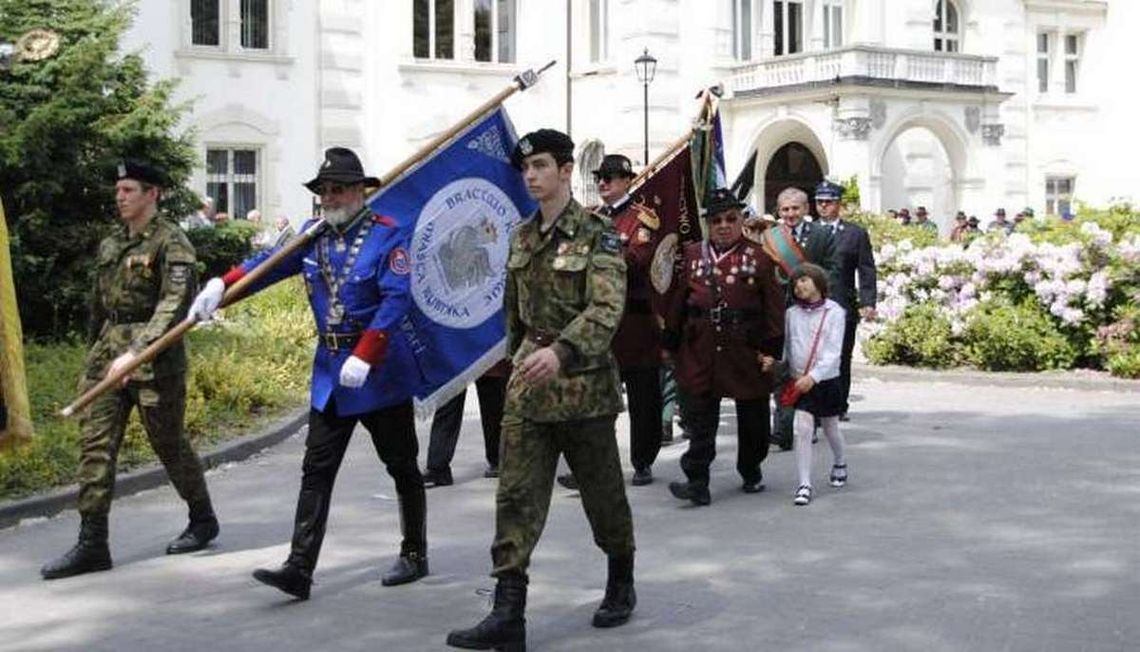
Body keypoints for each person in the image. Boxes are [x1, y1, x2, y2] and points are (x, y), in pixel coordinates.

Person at [188, 147, 428, 600]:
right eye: (323, 191)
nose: (330, 198)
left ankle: (414, 552)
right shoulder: (311, 236)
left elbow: (397, 299)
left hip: (377, 374)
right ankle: (299, 567)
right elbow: (267, 266)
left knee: (401, 465)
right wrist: (223, 286)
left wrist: (367, 353)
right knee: (315, 470)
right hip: (332, 377)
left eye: (339, 189)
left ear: (360, 191)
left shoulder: (387, 237)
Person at [446, 129, 636, 651]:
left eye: (541, 166)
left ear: (566, 170)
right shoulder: (522, 236)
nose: (531, 176)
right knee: (515, 496)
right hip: (530, 384)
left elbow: (605, 309)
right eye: (526, 168)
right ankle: (509, 612)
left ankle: (621, 576)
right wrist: (521, 358)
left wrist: (562, 352)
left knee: (602, 495)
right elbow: (514, 313)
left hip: (583, 387)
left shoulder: (599, 234)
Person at [41, 161, 219, 580]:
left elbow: (174, 306)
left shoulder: (172, 242)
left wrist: (137, 352)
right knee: (96, 446)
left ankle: (202, 517)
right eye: (118, 189)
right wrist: (95, 355)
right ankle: (92, 543)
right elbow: (99, 309)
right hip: (108, 357)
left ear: (151, 194)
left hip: (156, 361)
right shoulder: (111, 244)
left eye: (129, 190)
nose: (119, 197)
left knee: (168, 443)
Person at [663, 188, 785, 506]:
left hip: (745, 348)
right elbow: (678, 300)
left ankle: (750, 468)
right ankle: (697, 481)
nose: (723, 225)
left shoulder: (758, 257)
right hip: (700, 346)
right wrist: (670, 342)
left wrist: (772, 349)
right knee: (699, 418)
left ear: (741, 220)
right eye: (716, 220)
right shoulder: (692, 255)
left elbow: (774, 307)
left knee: (754, 419)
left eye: (731, 219)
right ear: (708, 224)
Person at [557, 153, 663, 489]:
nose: (603, 183)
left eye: (611, 177)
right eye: (600, 177)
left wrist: (603, 247)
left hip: (633, 322)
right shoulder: (593, 218)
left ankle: (643, 460)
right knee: (594, 398)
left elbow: (637, 261)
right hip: (599, 322)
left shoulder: (642, 220)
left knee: (643, 398)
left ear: (628, 180)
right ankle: (590, 465)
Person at [766, 263, 847, 507]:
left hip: (825, 379)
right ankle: (804, 483)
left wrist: (815, 376)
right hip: (799, 380)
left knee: (831, 427)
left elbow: (834, 352)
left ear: (818, 283)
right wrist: (776, 361)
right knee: (803, 427)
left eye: (804, 280)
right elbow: (787, 346)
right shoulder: (791, 313)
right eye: (796, 282)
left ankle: (840, 461)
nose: (799, 285)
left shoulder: (835, 312)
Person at [767, 186, 839, 451]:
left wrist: (816, 292)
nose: (790, 214)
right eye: (785, 209)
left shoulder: (822, 234)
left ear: (806, 209)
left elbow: (833, 269)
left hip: (811, 310)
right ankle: (783, 428)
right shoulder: (770, 238)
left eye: (795, 208)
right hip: (780, 312)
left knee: (807, 367)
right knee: (781, 368)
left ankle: (809, 420)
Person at [813, 180, 876, 422]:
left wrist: (868, 301)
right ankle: (816, 405)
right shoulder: (810, 232)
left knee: (841, 356)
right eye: (820, 202)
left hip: (842, 304)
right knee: (816, 356)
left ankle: (839, 404)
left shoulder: (855, 234)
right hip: (814, 304)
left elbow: (867, 269)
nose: (824, 207)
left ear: (839, 204)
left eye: (828, 202)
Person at [422, 360, 509, 487]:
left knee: (492, 397)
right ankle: (437, 468)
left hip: (488, 348)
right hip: (456, 349)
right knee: (449, 399)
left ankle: (499, 459)